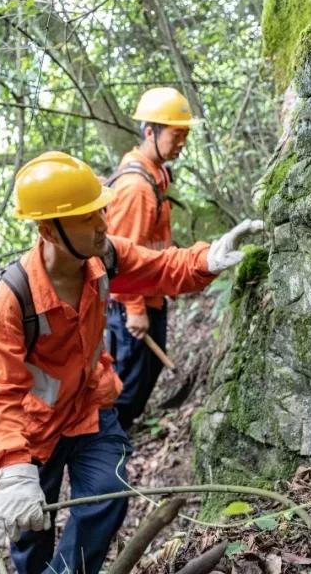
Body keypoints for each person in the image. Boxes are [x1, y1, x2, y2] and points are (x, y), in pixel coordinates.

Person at [0, 151, 262, 574]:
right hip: (34, 431)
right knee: (30, 532)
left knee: (107, 496)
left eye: (100, 211)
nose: (102, 224)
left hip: (91, 409)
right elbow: (2, 391)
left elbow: (160, 268)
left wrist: (205, 259)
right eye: (85, 218)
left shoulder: (102, 258)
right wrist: (14, 468)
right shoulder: (11, 302)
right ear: (49, 232)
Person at [105, 86, 196, 430]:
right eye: (176, 134)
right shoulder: (136, 187)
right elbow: (121, 255)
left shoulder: (155, 173)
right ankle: (109, 453)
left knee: (143, 376)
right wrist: (135, 309)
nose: (182, 141)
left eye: (185, 134)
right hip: (131, 306)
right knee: (124, 389)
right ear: (150, 132)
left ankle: (118, 437)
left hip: (151, 294)